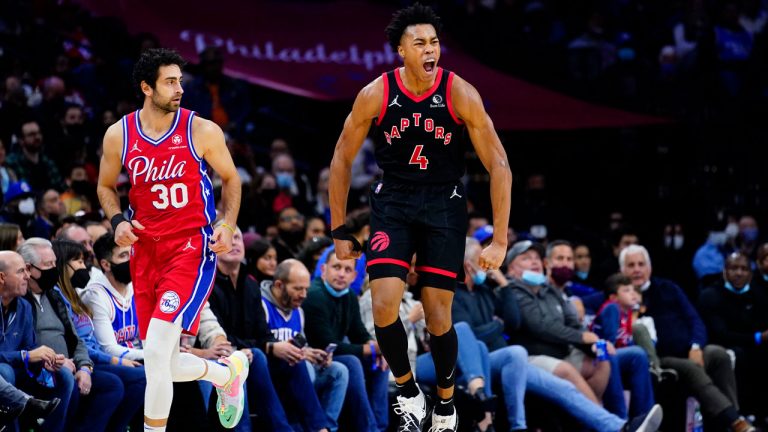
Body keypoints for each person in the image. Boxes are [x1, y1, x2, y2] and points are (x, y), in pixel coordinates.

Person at [328, 4, 512, 430]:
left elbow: (499, 164)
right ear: (400, 51)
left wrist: (499, 239)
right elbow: (341, 157)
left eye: (434, 42)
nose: (430, 50)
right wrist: (339, 228)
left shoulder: (459, 91)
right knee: (384, 306)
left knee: (438, 313)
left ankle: (445, 405)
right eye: (420, 43)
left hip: (444, 202)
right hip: (393, 200)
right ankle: (409, 392)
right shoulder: (376, 92)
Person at [96, 48, 246, 431]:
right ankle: (224, 375)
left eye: (180, 80)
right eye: (170, 81)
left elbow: (231, 178)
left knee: (159, 352)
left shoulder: (201, 130)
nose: (180, 88)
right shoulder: (120, 134)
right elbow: (104, 186)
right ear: (147, 87)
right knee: (158, 360)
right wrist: (116, 221)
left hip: (190, 248)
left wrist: (226, 225)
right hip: (146, 251)